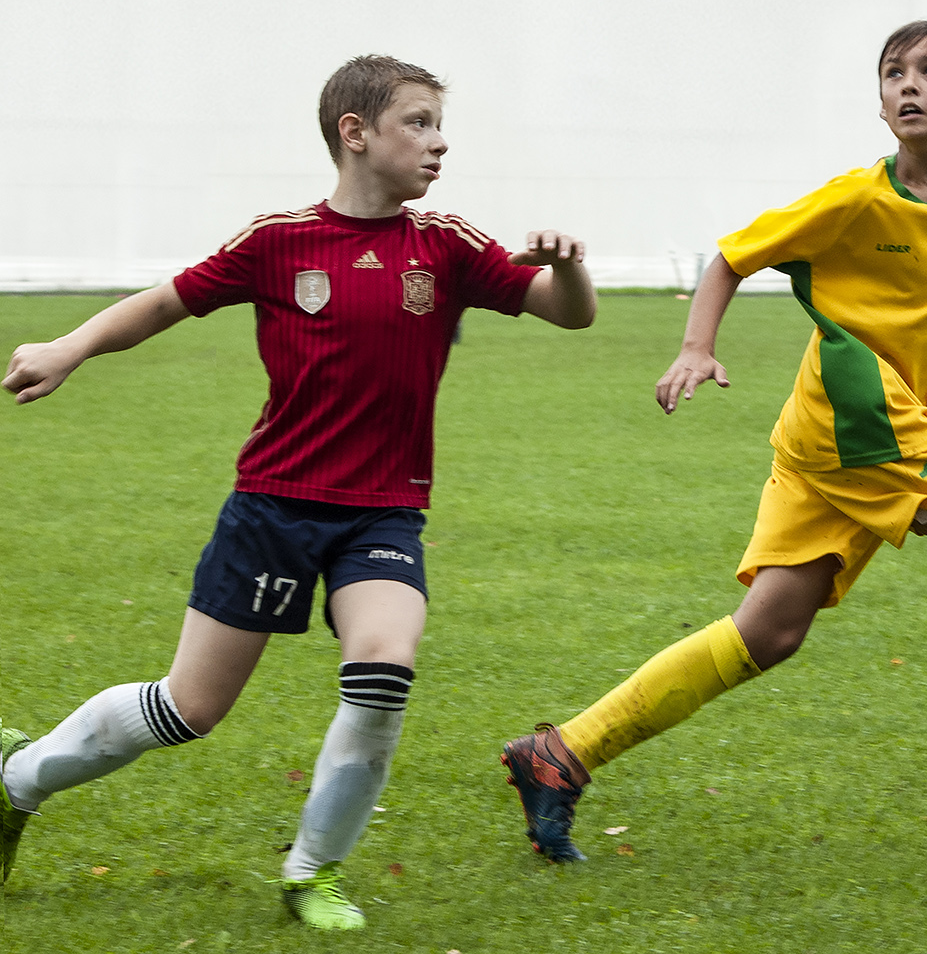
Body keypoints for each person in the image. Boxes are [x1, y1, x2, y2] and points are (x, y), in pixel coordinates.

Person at [500, 20, 927, 862]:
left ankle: (560, 754)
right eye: (892, 74)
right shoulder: (853, 198)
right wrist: (697, 346)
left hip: (825, 438)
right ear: (881, 104)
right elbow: (733, 256)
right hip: (855, 419)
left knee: (767, 632)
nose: (907, 85)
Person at [0, 55, 595, 928]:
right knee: (188, 708)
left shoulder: (447, 245)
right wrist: (69, 347)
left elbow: (568, 311)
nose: (440, 142)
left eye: (439, 124)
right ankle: (17, 779)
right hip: (272, 509)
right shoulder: (278, 240)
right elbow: (164, 304)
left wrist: (568, 266)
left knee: (385, 665)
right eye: (419, 122)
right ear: (355, 134)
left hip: (382, 515)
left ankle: (313, 872)